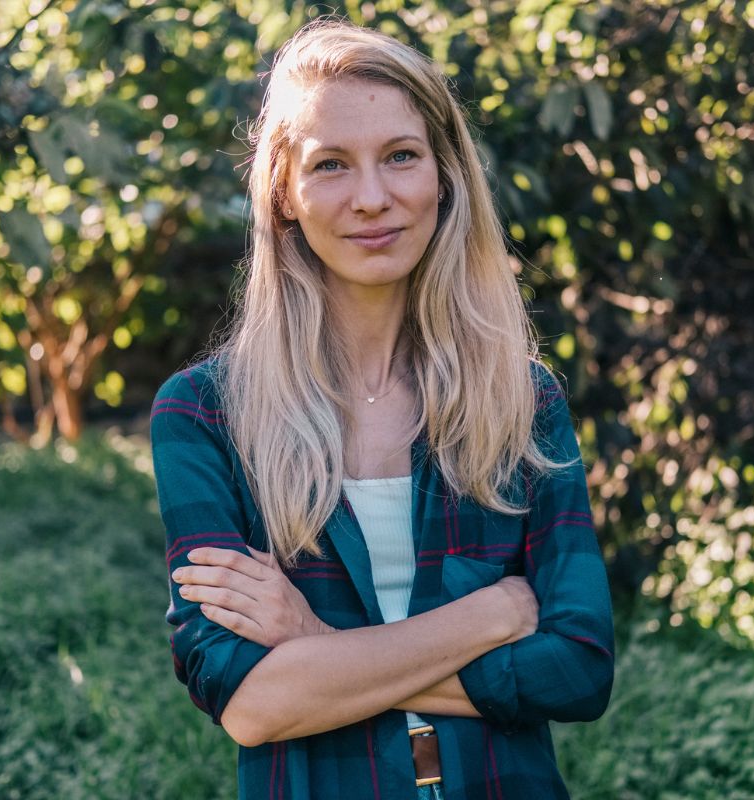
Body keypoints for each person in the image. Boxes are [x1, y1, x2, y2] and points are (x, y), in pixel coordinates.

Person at [150, 19, 615, 800]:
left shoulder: (522, 399)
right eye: (330, 165)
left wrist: (316, 642)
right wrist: (491, 616)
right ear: (284, 194)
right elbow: (253, 703)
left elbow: (578, 669)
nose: (372, 199)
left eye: (401, 155)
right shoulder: (204, 416)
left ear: (444, 175)